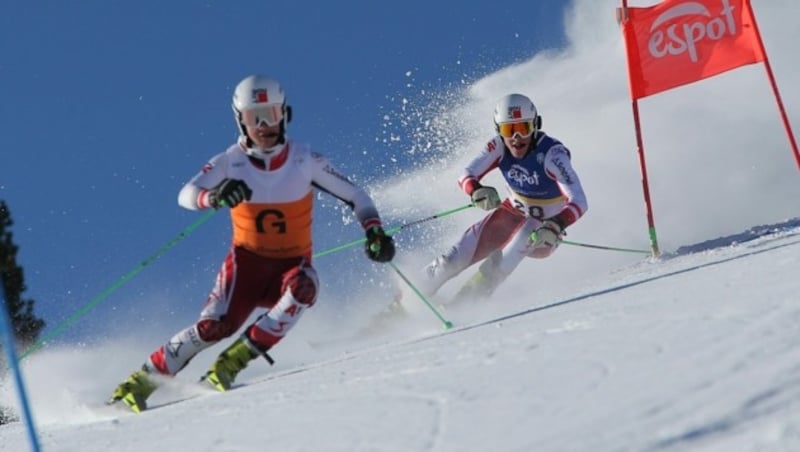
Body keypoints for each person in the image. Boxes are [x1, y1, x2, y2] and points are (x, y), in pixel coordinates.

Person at [108, 75, 396, 413]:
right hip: (245, 265)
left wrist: (373, 230)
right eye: (253, 117)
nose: (263, 125)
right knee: (213, 328)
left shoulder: (304, 160)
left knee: (304, 288)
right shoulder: (231, 162)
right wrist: (214, 195)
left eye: (271, 114)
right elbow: (186, 194)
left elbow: (355, 195)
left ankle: (230, 364)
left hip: (291, 264)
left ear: (284, 115)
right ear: (239, 120)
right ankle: (139, 383)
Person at [417, 93, 587, 302]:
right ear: (499, 131)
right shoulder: (498, 147)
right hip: (511, 213)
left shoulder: (552, 155)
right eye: (509, 130)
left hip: (544, 230)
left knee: (520, 238)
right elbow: (465, 175)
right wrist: (476, 190)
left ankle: (466, 303)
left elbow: (579, 200)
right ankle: (405, 303)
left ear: (535, 126)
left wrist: (556, 225)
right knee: (451, 260)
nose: (516, 138)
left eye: (523, 128)